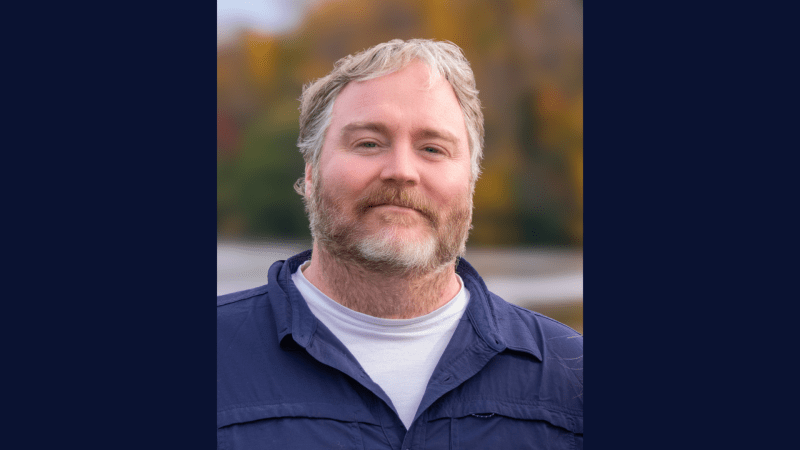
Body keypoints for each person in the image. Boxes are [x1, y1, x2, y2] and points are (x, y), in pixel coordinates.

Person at [217, 39, 583, 449]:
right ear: (312, 169)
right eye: (369, 143)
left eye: (432, 149)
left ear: (471, 181)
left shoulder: (570, 378)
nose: (402, 171)